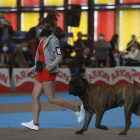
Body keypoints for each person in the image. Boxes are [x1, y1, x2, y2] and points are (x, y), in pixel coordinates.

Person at [21, 10, 84, 131]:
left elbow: (59, 57)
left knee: (51, 99)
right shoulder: (42, 39)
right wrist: (33, 69)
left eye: (44, 26)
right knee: (35, 95)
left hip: (47, 71)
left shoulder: (53, 40)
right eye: (41, 25)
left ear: (50, 27)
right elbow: (40, 58)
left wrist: (51, 65)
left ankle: (77, 109)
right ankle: (35, 123)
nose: (41, 27)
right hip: (40, 71)